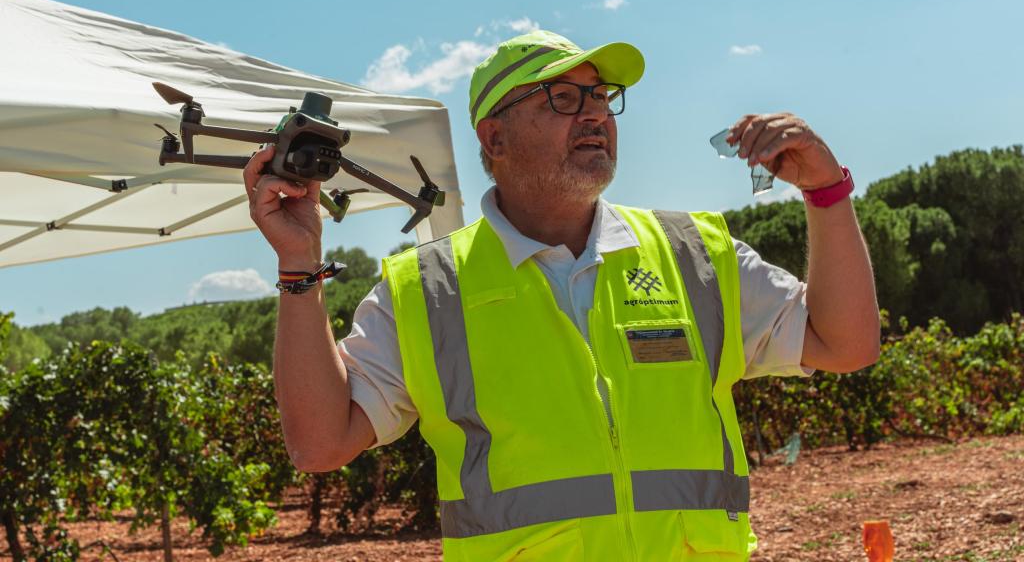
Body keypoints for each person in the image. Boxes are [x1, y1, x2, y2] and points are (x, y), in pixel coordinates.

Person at [243, 30, 880, 561]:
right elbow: (322, 443)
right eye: (564, 97)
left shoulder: (695, 256)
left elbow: (846, 343)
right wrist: (298, 267)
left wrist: (826, 191)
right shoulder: (427, 291)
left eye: (602, 97)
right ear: (495, 139)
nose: (596, 114)